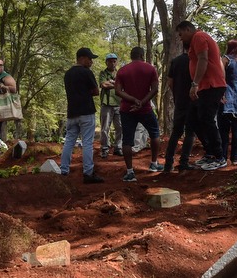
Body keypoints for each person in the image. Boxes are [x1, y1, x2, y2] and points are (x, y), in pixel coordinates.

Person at [176, 21, 227, 171]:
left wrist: (194, 84)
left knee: (207, 119)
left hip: (211, 85)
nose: (180, 38)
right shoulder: (196, 40)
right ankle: (210, 152)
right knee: (192, 119)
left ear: (187, 29)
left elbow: (204, 59)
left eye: (181, 34)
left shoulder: (199, 37)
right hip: (204, 87)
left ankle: (219, 157)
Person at [114, 46, 163, 182]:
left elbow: (118, 91)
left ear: (131, 56)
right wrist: (142, 101)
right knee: (154, 134)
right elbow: (154, 89)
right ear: (142, 55)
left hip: (127, 109)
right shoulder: (150, 69)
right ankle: (154, 163)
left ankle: (130, 172)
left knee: (127, 140)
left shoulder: (122, 70)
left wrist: (132, 100)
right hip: (145, 108)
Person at [61, 47, 104, 183]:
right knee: (87, 143)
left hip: (72, 113)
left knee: (69, 141)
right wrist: (86, 92)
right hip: (86, 112)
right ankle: (88, 173)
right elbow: (96, 91)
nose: (91, 61)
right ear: (82, 58)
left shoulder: (68, 74)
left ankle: (63, 171)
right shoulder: (86, 72)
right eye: (89, 58)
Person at [163, 47, 199, 172]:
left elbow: (170, 82)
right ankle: (184, 162)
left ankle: (168, 163)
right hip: (193, 100)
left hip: (180, 101)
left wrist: (176, 94)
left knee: (176, 132)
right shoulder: (197, 61)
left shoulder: (176, 61)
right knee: (190, 132)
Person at [98, 53, 123, 158]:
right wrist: (116, 84)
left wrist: (111, 83)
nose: (112, 63)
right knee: (105, 128)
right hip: (106, 104)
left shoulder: (120, 73)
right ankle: (105, 148)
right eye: (110, 61)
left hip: (119, 103)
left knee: (120, 127)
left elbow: (123, 85)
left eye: (114, 61)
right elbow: (103, 84)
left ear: (116, 62)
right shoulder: (103, 73)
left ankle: (118, 148)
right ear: (106, 62)